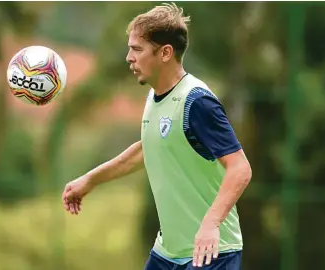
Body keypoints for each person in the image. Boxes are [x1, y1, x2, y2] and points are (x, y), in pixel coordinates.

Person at [62, 3, 252, 270]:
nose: (129, 57)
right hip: (169, 252)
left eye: (137, 49)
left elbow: (240, 168)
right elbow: (148, 147)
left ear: (165, 53)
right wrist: (90, 180)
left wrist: (210, 223)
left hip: (210, 253)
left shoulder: (197, 102)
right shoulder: (155, 96)